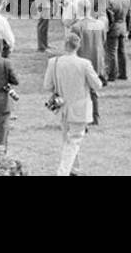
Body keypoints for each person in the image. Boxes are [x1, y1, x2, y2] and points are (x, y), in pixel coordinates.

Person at [43, 33, 102, 176]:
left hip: (62, 107)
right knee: (73, 141)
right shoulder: (84, 64)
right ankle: (63, 172)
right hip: (80, 108)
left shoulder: (54, 62)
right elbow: (97, 85)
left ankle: (74, 170)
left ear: (65, 45)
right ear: (78, 46)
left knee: (68, 141)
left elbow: (47, 85)